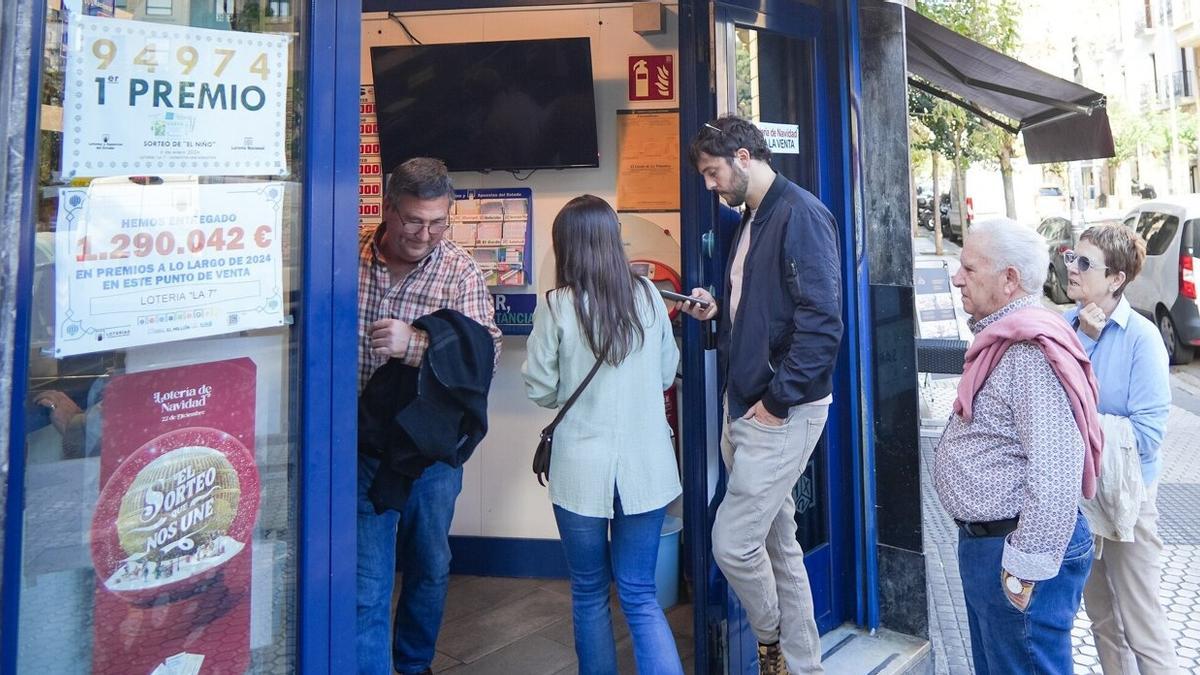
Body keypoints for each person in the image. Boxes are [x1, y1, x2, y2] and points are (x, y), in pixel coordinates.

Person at [678, 115, 843, 675]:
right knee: (779, 547)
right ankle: (803, 666)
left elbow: (823, 325)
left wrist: (776, 403)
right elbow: (766, 310)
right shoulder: (753, 218)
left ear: (745, 157)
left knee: (732, 544)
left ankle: (771, 639)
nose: (709, 185)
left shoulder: (801, 214)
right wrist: (716, 309)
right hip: (746, 406)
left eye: (712, 171)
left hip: (778, 411)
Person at [522, 195, 683, 675]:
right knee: (639, 593)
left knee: (589, 592)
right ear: (613, 241)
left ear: (565, 247)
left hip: (579, 472)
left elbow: (540, 388)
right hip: (648, 468)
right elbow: (666, 372)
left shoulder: (556, 306)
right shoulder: (650, 296)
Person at [935, 218, 1103, 674]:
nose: (956, 278)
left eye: (969, 268)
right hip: (993, 545)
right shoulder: (1004, 338)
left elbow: (1055, 470)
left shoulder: (1028, 352)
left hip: (1016, 550)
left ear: (1009, 279)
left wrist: (1023, 569)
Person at [356, 157, 502, 675]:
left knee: (430, 566)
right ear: (388, 210)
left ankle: (413, 665)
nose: (426, 234)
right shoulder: (346, 256)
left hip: (430, 452)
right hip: (362, 446)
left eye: (438, 222)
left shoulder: (457, 268)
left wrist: (416, 344)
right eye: (414, 221)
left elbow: (488, 353)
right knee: (365, 580)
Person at [1064, 225, 1179, 673]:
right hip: (1082, 497)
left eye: (1084, 263)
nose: (1071, 268)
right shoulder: (1067, 327)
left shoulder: (1142, 339)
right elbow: (1051, 399)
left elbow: (1148, 435)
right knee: (1103, 622)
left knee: (1142, 625)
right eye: (1072, 256)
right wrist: (1084, 341)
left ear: (1115, 279)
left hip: (1129, 501)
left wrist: (1079, 427)